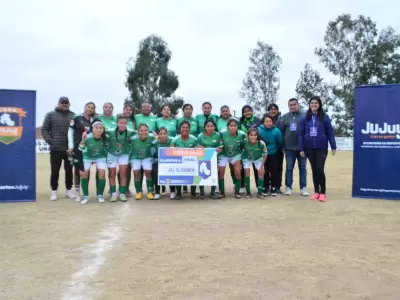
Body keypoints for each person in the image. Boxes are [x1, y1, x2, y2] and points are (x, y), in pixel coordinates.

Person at [298, 96, 337, 202]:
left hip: (321, 148)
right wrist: (301, 148)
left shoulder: (324, 117)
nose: (314, 104)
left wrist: (333, 146)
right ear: (309, 105)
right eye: (312, 103)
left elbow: (330, 132)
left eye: (316, 103)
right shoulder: (304, 118)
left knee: (320, 168)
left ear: (319, 105)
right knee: (314, 169)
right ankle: (316, 192)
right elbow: (300, 134)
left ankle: (323, 192)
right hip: (309, 148)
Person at [41, 96, 75, 201]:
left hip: (69, 149)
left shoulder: (73, 115)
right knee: (55, 170)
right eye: (62, 102)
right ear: (58, 103)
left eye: (66, 102)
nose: (64, 104)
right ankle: (54, 191)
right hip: (56, 148)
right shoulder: (50, 115)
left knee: (69, 170)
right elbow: (44, 130)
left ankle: (68, 190)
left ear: (69, 104)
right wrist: (51, 141)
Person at [279, 98, 308, 196]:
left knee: (303, 168)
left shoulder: (305, 116)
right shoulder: (284, 117)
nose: (292, 106)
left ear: (298, 105)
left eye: (294, 104)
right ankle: (288, 187)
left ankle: (303, 188)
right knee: (289, 168)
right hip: (289, 148)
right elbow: (281, 133)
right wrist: (283, 146)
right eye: (290, 105)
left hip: (302, 148)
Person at [68, 102, 96, 198]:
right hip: (77, 147)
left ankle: (85, 191)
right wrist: (71, 145)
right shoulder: (77, 117)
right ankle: (77, 191)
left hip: (88, 148)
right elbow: (70, 131)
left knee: (86, 169)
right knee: (77, 169)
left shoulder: (94, 120)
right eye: (88, 107)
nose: (90, 109)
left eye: (92, 108)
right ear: (85, 107)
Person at [106, 116, 136, 202]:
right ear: (117, 123)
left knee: (123, 173)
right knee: (112, 173)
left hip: (123, 154)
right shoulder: (110, 131)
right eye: (121, 123)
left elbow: (141, 133)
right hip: (112, 154)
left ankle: (122, 193)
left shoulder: (130, 132)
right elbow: (101, 131)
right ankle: (113, 194)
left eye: (125, 123)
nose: (123, 125)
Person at [78, 120, 108, 204]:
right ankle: (85, 196)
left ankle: (100, 195)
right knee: (84, 174)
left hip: (100, 157)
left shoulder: (105, 138)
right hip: (88, 157)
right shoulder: (87, 137)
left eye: (100, 128)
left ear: (103, 129)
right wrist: (83, 140)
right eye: (96, 128)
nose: (98, 130)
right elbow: (80, 149)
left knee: (102, 173)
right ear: (92, 129)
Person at [170, 121, 198, 200]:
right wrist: (172, 149)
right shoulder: (175, 140)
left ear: (189, 129)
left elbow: (199, 149)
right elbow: (170, 150)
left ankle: (193, 192)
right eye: (183, 127)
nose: (185, 129)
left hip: (191, 163)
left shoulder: (194, 139)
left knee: (194, 175)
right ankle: (178, 193)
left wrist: (199, 148)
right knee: (178, 176)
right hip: (179, 163)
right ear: (179, 129)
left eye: (187, 128)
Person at [219, 119, 246, 199]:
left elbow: (249, 140)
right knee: (221, 172)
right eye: (231, 126)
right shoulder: (222, 133)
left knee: (238, 172)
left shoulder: (242, 134)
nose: (233, 127)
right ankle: (222, 192)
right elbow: (217, 142)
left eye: (235, 125)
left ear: (237, 126)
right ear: (228, 127)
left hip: (236, 154)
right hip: (223, 154)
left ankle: (237, 192)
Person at [197, 119, 223, 199]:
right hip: (203, 158)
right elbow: (197, 145)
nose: (210, 128)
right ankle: (201, 193)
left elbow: (221, 147)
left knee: (214, 174)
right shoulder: (200, 136)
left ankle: (213, 192)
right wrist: (199, 147)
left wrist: (219, 150)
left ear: (214, 127)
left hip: (214, 158)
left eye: (211, 126)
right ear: (205, 127)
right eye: (208, 126)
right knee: (202, 174)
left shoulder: (218, 135)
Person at [258, 114, 283, 196]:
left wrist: (274, 149)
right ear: (263, 122)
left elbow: (279, 142)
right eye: (266, 121)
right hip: (262, 154)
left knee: (274, 170)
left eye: (270, 121)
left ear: (272, 122)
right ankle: (265, 187)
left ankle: (273, 187)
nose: (268, 123)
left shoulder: (276, 131)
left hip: (273, 153)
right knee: (264, 171)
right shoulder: (259, 130)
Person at [130, 124, 156, 200]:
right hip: (135, 158)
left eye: (145, 130)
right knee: (136, 172)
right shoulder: (133, 139)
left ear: (148, 131)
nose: (143, 132)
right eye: (141, 130)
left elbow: (156, 141)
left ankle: (150, 192)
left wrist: (156, 138)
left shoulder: (151, 137)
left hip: (147, 158)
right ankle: (138, 192)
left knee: (148, 172)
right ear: (138, 132)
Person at [239, 105, 261, 193]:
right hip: (244, 146)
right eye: (245, 111)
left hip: (255, 146)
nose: (247, 112)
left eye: (249, 110)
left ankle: (258, 186)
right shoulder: (241, 121)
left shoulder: (257, 120)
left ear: (252, 111)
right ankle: (242, 186)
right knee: (244, 167)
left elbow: (260, 132)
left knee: (256, 167)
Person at [242, 128, 268, 198]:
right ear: (248, 136)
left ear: (257, 136)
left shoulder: (262, 143)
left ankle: (259, 192)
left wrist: (261, 165)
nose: (253, 137)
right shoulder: (244, 141)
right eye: (251, 135)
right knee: (247, 171)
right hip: (246, 158)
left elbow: (265, 155)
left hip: (257, 158)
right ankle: (248, 192)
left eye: (255, 135)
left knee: (261, 171)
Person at [151, 127, 174, 199]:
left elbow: (174, 152)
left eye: (164, 134)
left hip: (169, 161)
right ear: (158, 135)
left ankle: (173, 191)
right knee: (156, 171)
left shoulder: (172, 141)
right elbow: (153, 155)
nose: (163, 135)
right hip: (158, 160)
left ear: (167, 134)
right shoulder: (154, 143)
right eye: (161, 134)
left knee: (171, 173)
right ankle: (157, 192)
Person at [266, 103, 284, 193]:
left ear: (277, 110)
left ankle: (277, 186)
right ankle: (268, 186)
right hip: (267, 150)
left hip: (279, 148)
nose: (273, 110)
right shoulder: (265, 119)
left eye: (275, 109)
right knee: (267, 168)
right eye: (271, 109)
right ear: (268, 111)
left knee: (278, 168)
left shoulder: (282, 120)